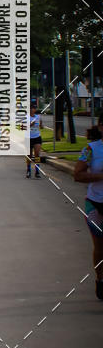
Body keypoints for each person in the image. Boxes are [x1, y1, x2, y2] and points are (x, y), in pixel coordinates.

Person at [74, 112, 103, 300]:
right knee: (100, 248)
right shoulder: (91, 149)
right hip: (96, 204)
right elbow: (78, 174)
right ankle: (100, 279)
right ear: (100, 127)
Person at [26, 103, 42, 179]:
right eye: (31, 108)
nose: (32, 110)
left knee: (37, 154)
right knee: (29, 156)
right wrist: (30, 125)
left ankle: (37, 171)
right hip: (28, 138)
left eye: (34, 108)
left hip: (37, 137)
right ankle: (28, 170)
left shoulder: (38, 117)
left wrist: (41, 125)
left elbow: (41, 126)